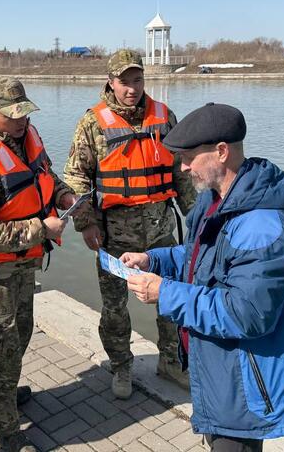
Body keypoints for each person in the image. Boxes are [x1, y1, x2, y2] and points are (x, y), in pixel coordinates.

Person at [122, 103, 284, 451]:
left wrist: (166, 293)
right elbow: (197, 257)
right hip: (220, 370)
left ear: (221, 152)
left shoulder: (263, 228)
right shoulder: (213, 201)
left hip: (247, 384)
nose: (183, 166)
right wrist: (154, 261)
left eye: (189, 156)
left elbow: (245, 314)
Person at [0, 77, 77, 452]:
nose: (21, 121)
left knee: (21, 332)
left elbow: (45, 174)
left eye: (24, 112)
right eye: (12, 115)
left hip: (25, 263)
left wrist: (64, 192)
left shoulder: (25, 139)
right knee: (3, 347)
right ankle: (6, 430)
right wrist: (42, 228)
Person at [63, 49, 196, 398]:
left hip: (161, 234)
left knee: (171, 300)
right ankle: (121, 367)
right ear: (111, 82)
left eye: (137, 80)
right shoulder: (92, 123)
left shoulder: (165, 117)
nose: (132, 88)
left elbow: (181, 173)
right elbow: (76, 178)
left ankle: (171, 361)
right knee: (115, 309)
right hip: (113, 237)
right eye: (124, 81)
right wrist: (86, 223)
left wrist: (196, 218)